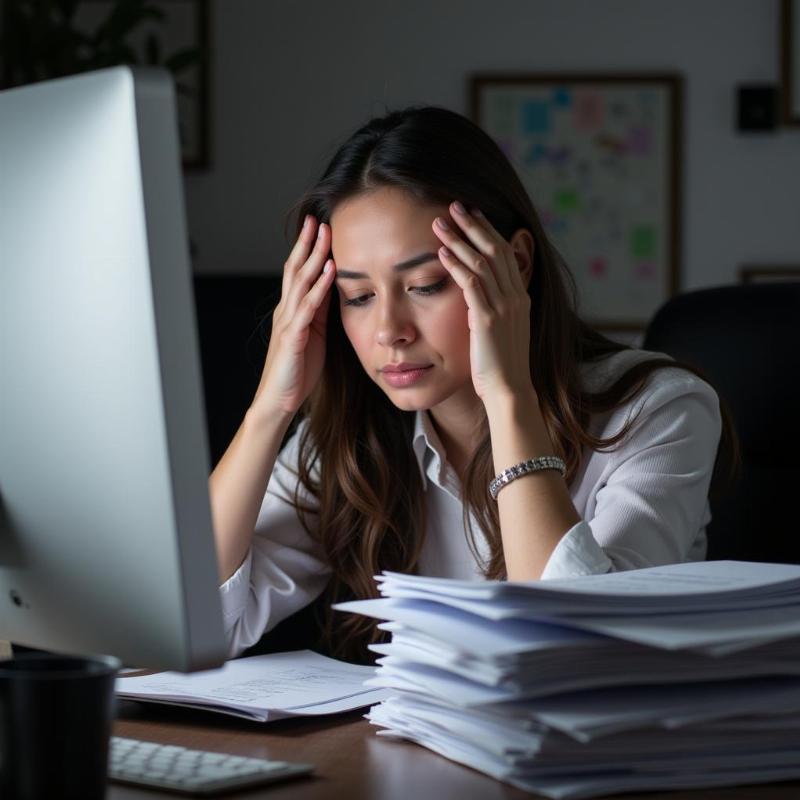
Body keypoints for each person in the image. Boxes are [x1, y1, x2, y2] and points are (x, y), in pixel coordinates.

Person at [208, 106, 738, 663]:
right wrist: (272, 406)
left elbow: (574, 655)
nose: (389, 331)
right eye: (358, 297)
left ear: (515, 264)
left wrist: (507, 396)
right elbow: (193, 627)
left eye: (426, 285)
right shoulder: (346, 434)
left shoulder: (661, 410)